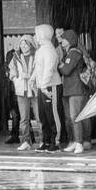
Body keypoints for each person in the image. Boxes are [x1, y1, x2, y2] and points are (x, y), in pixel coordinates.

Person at [57, 30, 89, 153]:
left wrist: (60, 65)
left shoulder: (74, 53)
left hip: (76, 89)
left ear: (69, 40)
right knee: (70, 117)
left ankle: (79, 143)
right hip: (69, 90)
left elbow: (66, 70)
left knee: (75, 117)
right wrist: (62, 65)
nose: (61, 40)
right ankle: (75, 141)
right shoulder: (68, 53)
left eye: (63, 38)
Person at [33, 25, 62, 153]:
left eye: (37, 33)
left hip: (51, 86)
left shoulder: (49, 50)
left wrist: (44, 85)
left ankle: (55, 141)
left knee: (52, 115)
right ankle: (46, 141)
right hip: (42, 87)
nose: (36, 36)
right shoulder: (40, 50)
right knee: (43, 115)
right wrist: (34, 80)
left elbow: (49, 69)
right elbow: (38, 68)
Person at [8, 36, 41, 150]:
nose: (23, 46)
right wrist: (19, 77)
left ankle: (43, 140)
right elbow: (11, 72)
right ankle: (26, 141)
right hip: (22, 90)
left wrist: (32, 77)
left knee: (39, 116)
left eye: (26, 44)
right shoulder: (15, 57)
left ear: (31, 45)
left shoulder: (37, 55)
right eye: (21, 44)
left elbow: (40, 69)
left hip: (35, 89)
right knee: (24, 118)